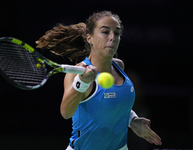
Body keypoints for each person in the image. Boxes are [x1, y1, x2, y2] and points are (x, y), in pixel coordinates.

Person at [36, 10, 162, 150]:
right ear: (89, 38)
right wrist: (82, 83)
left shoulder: (119, 65)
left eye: (117, 33)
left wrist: (132, 120)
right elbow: (66, 113)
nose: (112, 37)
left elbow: (113, 104)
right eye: (105, 32)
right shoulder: (76, 74)